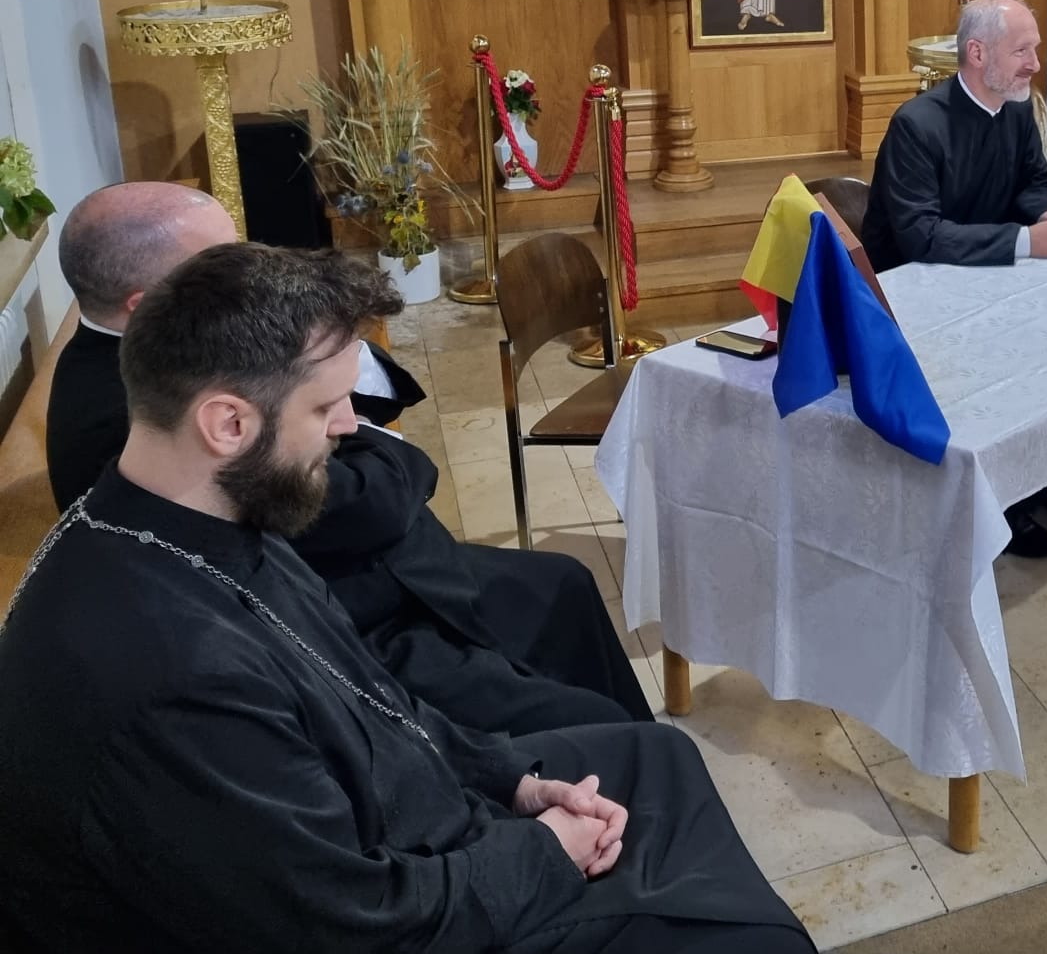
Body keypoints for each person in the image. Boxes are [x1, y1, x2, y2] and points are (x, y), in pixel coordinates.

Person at [0, 242, 809, 953]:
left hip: (411, 827)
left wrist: (514, 781)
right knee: (742, 937)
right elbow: (346, 923)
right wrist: (545, 852)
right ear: (227, 424)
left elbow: (375, 698)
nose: (349, 426)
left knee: (656, 756)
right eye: (326, 405)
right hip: (389, 907)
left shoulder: (205, 516)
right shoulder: (168, 676)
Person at [44, 182, 653, 736]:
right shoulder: (137, 418)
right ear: (147, 302)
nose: (248, 272)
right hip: (354, 627)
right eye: (220, 262)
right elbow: (368, 503)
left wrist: (341, 406)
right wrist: (386, 447)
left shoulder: (194, 351)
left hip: (374, 574)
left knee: (567, 584)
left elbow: (372, 401)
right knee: (603, 731)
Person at [859, 0, 1047, 557]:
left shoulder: (1016, 109)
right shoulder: (916, 125)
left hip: (988, 274)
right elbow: (920, 236)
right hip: (916, 292)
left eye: (1035, 50)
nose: (1035, 65)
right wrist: (1027, 241)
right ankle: (1006, 508)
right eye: (1022, 51)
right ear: (977, 54)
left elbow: (1031, 183)